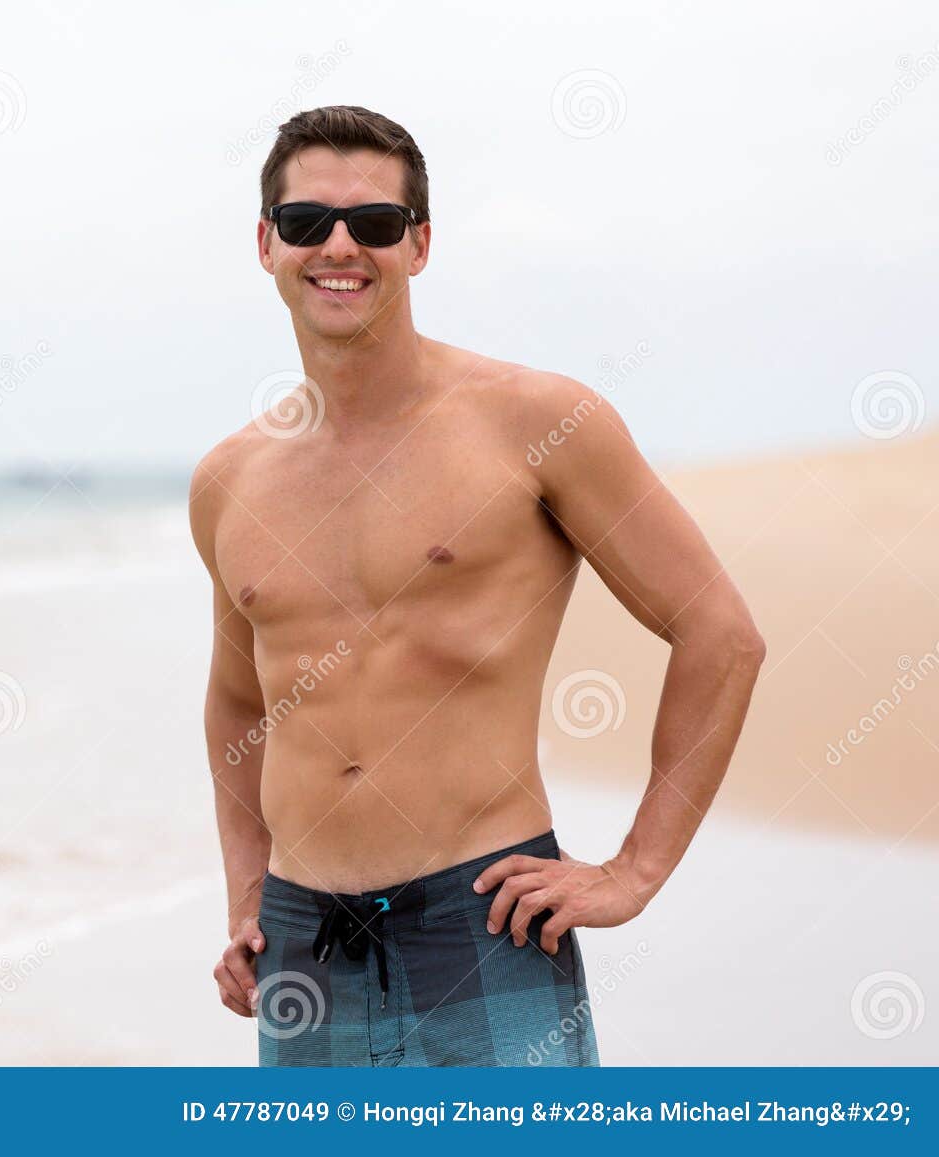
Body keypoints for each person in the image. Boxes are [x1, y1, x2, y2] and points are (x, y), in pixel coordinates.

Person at [188, 105, 765, 1066]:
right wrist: (246, 896)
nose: (340, 245)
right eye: (306, 223)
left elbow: (720, 632)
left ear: (418, 244)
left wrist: (635, 869)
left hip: (486, 922)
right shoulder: (230, 478)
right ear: (266, 244)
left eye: (374, 222)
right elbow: (239, 699)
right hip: (301, 948)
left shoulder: (539, 422)